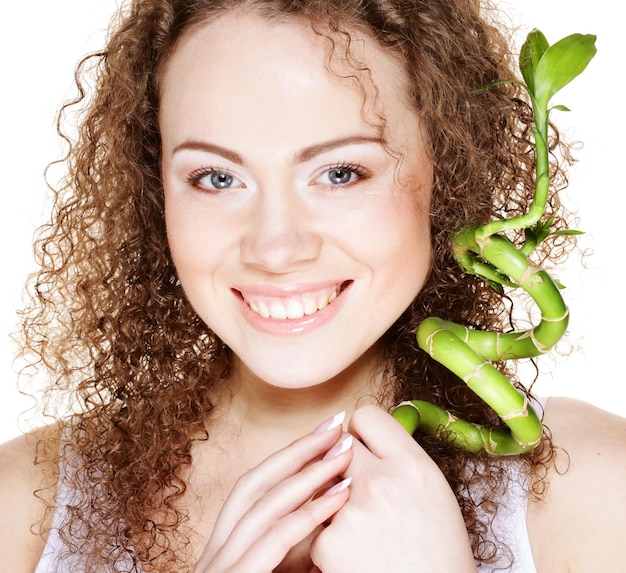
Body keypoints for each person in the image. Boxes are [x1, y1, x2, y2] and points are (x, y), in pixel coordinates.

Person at [0, 0, 624, 571]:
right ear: (154, 187)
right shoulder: (23, 503)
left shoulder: (594, 488)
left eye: (341, 172)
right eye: (217, 179)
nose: (276, 248)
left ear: (448, 166)